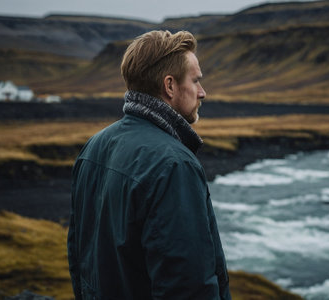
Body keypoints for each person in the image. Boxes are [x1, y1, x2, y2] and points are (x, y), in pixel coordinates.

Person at [67, 30, 232, 300]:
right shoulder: (173, 165)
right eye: (195, 81)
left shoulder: (93, 147)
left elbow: (79, 257)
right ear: (170, 86)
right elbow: (187, 287)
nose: (203, 92)